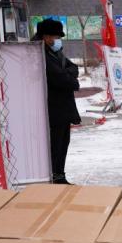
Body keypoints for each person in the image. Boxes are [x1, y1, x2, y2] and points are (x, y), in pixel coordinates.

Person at [34, 19, 81, 185]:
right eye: (56, 36)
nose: (58, 40)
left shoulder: (55, 52)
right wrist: (71, 80)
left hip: (63, 108)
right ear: (46, 37)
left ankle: (60, 176)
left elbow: (73, 67)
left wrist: (68, 75)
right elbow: (61, 79)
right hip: (52, 109)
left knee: (63, 144)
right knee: (54, 145)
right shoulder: (39, 54)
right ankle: (54, 177)